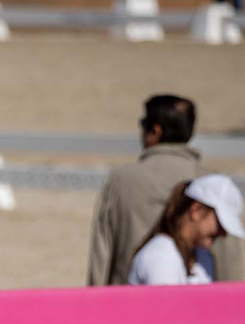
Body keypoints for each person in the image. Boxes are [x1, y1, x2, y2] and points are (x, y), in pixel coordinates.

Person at [87, 94, 242, 285]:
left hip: (124, 305)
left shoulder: (120, 181)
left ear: (155, 131)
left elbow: (101, 258)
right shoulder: (213, 183)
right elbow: (231, 262)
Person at [128, 174, 244, 285]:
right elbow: (167, 305)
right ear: (196, 211)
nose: (223, 233)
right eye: (220, 224)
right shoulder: (161, 257)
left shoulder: (203, 256)